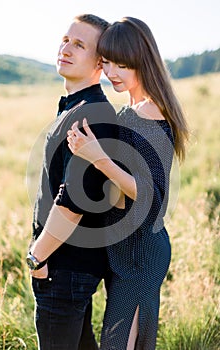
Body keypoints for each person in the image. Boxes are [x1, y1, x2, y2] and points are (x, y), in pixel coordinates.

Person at [67, 17, 189, 349]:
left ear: (143, 60)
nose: (112, 73)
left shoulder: (149, 111)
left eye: (123, 65)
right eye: (106, 63)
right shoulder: (134, 107)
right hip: (126, 249)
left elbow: (151, 195)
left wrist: (98, 158)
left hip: (139, 254)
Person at [26, 14, 117, 350]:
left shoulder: (91, 114)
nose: (66, 48)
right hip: (66, 265)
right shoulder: (75, 107)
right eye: (66, 39)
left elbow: (74, 201)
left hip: (64, 266)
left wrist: (37, 256)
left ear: (100, 63)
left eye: (79, 44)